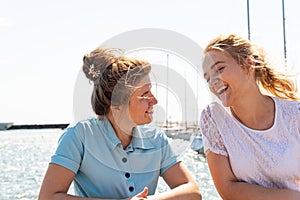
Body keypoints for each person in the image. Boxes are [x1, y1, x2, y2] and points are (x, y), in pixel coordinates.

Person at [38, 48, 201, 200]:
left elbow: (192, 191)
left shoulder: (156, 138)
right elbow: (48, 196)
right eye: (145, 94)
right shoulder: (79, 136)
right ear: (116, 103)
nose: (155, 101)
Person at [200, 34, 300, 200]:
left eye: (219, 69)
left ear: (248, 65)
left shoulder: (295, 115)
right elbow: (227, 189)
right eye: (207, 78)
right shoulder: (213, 118)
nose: (212, 82)